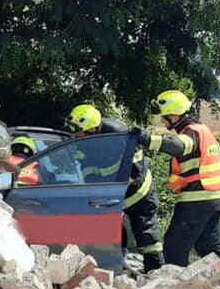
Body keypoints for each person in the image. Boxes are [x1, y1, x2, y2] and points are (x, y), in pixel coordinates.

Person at [67, 103, 164, 271]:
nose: (75, 136)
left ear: (92, 130)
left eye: (79, 133)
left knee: (148, 238)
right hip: (115, 195)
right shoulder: (92, 138)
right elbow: (89, 164)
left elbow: (132, 171)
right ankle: (117, 267)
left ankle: (157, 273)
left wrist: (101, 179)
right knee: (114, 233)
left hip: (139, 193)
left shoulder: (118, 135)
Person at [139, 89, 220, 267]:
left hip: (197, 200)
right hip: (214, 198)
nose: (162, 121)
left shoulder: (191, 132)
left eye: (164, 117)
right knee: (208, 247)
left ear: (174, 115)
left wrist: (146, 139)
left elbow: (178, 147)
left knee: (174, 249)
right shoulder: (202, 130)